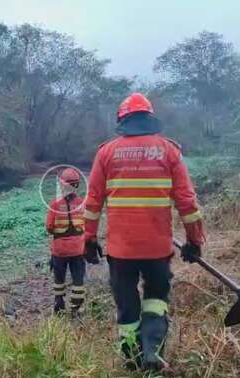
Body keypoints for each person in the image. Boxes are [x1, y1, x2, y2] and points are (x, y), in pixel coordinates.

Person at [84, 93, 205, 370]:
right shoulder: (170, 151)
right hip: (157, 248)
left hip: (121, 250)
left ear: (122, 121)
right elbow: (187, 203)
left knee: (127, 307)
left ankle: (132, 361)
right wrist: (193, 241)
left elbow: (92, 204)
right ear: (150, 118)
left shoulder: (106, 152)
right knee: (156, 300)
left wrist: (88, 239)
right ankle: (153, 351)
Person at [46, 168, 86, 318]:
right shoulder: (82, 203)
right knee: (78, 278)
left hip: (59, 250)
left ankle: (59, 304)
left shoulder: (55, 204)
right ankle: (77, 309)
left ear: (62, 185)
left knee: (59, 279)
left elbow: (49, 227)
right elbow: (86, 224)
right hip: (77, 249)